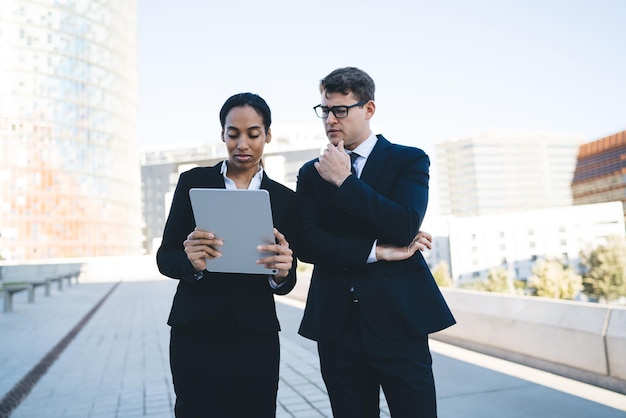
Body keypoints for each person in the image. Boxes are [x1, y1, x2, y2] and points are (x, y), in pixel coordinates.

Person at [296, 67, 456, 418]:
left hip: (399, 319)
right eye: (325, 110)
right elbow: (308, 244)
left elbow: (403, 225)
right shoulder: (311, 172)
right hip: (336, 324)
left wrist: (345, 181)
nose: (330, 119)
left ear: (368, 109)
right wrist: (376, 251)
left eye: (341, 110)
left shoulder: (408, 159)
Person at [156, 92, 297, 418]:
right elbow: (165, 257)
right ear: (222, 135)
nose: (242, 144)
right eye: (233, 134)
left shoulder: (285, 198)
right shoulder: (193, 182)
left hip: (256, 337)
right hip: (195, 332)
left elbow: (288, 278)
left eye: (253, 134)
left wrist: (282, 273)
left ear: (268, 135)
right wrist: (191, 263)